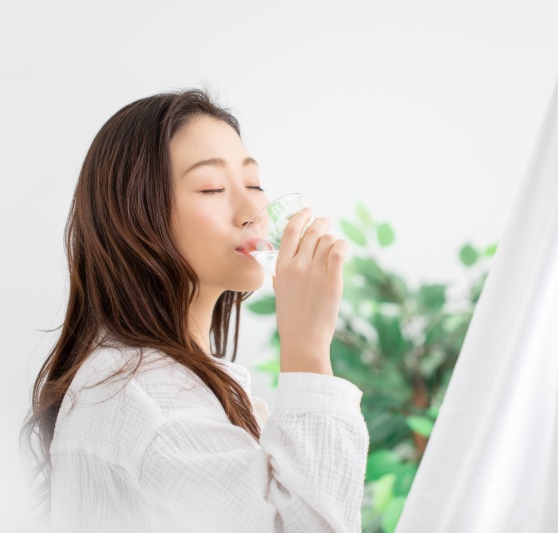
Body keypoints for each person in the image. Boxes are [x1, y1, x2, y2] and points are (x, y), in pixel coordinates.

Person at [21, 89, 370, 533]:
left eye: (254, 184)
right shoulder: (146, 402)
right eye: (212, 188)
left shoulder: (156, 385)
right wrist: (307, 348)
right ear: (137, 217)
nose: (253, 212)